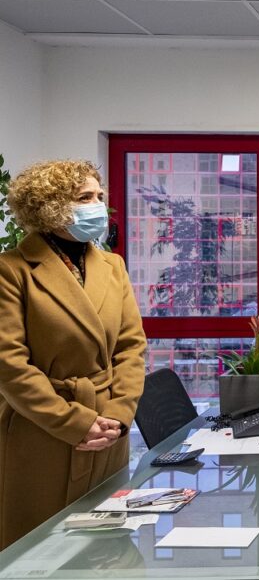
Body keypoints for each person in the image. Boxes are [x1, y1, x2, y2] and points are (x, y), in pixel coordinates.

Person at [0, 160, 147, 550]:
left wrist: (119, 414)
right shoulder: (11, 270)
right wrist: (75, 423)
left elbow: (131, 347)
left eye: (99, 196)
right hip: (44, 429)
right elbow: (9, 365)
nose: (97, 206)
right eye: (85, 197)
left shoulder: (113, 266)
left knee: (108, 548)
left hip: (108, 427)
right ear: (50, 206)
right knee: (38, 549)